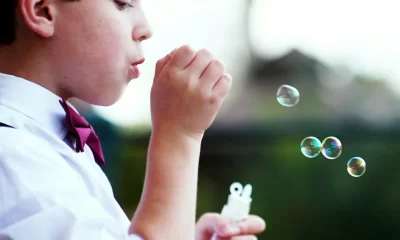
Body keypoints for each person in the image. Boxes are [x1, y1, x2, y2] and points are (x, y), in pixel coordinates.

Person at [0, 0, 266, 239]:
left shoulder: (35, 140)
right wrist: (178, 137)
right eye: (123, 3)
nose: (146, 29)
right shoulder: (11, 155)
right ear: (42, 11)